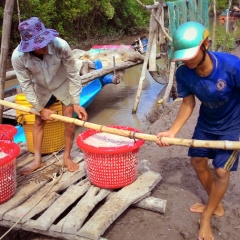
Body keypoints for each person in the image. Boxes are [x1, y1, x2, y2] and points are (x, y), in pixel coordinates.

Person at [157, 21, 240, 240]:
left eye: (191, 54)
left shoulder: (231, 66)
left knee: (221, 171)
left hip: (234, 125)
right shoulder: (184, 74)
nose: (186, 60)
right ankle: (217, 204)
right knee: (197, 161)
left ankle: (207, 217)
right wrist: (172, 131)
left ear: (206, 44)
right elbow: (188, 103)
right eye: (183, 56)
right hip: (207, 122)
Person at [11, 17, 88, 175]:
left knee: (70, 121)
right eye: (40, 45)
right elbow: (25, 85)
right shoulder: (18, 57)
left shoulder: (61, 46)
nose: (45, 46)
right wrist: (39, 109)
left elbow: (73, 74)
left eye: (45, 41)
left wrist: (76, 102)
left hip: (63, 84)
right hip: (41, 88)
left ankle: (67, 157)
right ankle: (37, 160)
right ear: (30, 47)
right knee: (38, 121)